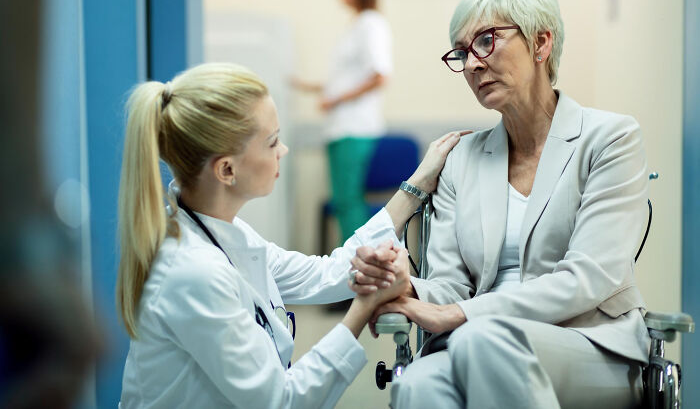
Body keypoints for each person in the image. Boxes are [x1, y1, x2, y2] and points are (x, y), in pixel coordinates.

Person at [361, 0, 650, 409]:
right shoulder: (463, 159)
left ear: (540, 42)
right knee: (417, 386)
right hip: (474, 340)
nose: (473, 65)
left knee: (481, 338)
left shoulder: (610, 138)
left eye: (486, 41)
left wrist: (462, 316)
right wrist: (408, 292)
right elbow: (452, 284)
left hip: (589, 342)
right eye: (462, 53)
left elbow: (588, 278)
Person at [116, 62, 465, 408]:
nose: (283, 150)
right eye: (272, 142)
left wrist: (416, 186)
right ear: (226, 169)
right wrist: (365, 306)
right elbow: (281, 401)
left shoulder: (222, 232)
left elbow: (324, 273)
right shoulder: (193, 271)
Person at [294, 0, 393, 243]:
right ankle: (357, 274)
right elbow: (346, 78)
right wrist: (306, 86)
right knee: (345, 203)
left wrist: (334, 100)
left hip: (354, 129)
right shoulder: (357, 25)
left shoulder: (371, 24)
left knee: (348, 203)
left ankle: (359, 277)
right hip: (342, 129)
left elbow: (379, 76)